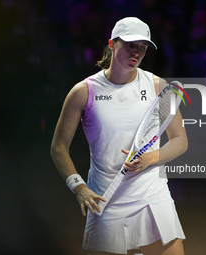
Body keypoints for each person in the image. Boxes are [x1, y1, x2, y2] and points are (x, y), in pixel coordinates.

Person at [50, 17, 187, 255]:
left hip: (151, 195)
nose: (136, 53)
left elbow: (180, 140)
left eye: (142, 48)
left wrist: (150, 158)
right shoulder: (83, 92)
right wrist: (79, 187)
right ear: (112, 44)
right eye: (131, 45)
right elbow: (58, 147)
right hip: (105, 200)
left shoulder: (157, 86)